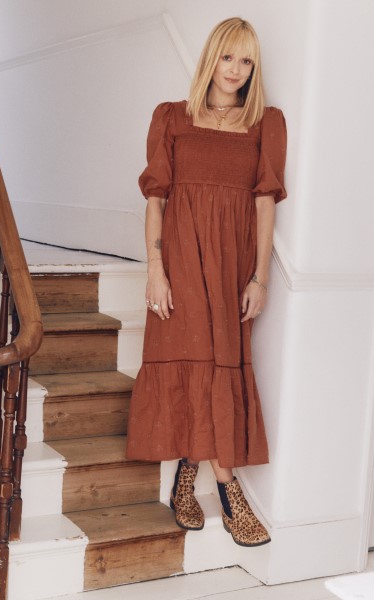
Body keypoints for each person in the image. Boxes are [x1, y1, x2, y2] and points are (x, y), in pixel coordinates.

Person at [125, 17, 286, 548]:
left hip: (231, 266)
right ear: (211, 58)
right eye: (228, 57)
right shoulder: (172, 117)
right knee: (192, 360)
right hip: (179, 261)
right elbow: (156, 200)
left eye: (247, 61)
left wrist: (260, 278)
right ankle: (227, 487)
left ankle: (188, 474)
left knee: (219, 363)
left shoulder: (265, 124)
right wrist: (155, 270)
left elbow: (265, 207)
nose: (235, 70)